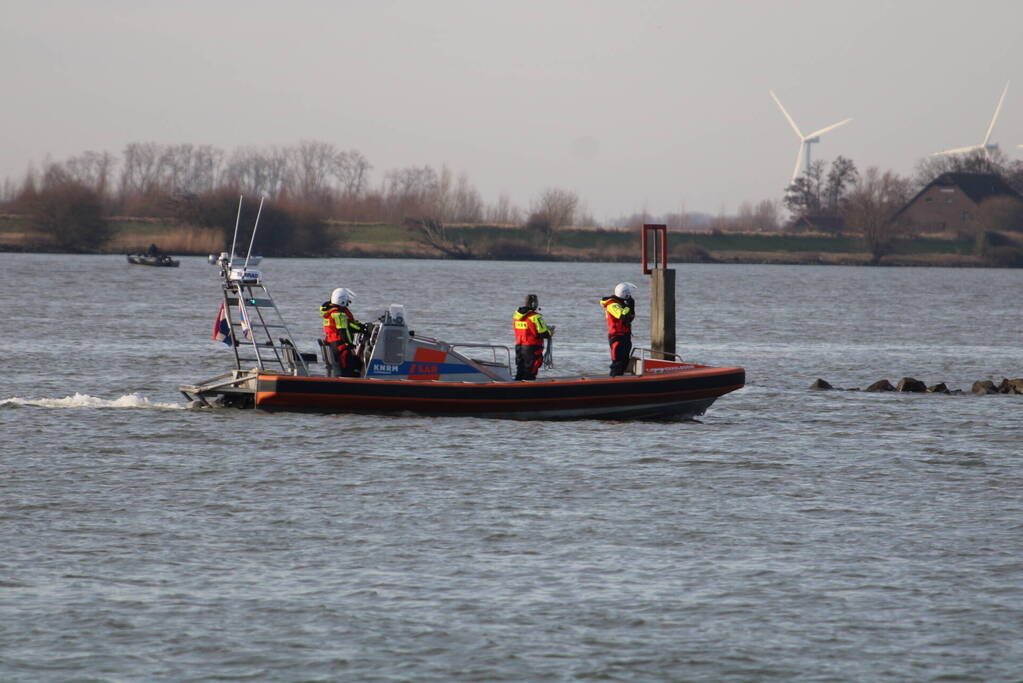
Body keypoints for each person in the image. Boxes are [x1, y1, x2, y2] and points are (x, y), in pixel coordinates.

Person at [320, 287, 365, 377]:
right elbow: (344, 331)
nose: (348, 303)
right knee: (357, 363)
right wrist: (350, 344)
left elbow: (348, 324)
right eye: (347, 301)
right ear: (342, 301)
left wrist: (360, 326)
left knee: (354, 360)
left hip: (333, 344)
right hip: (340, 347)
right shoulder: (339, 315)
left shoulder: (330, 313)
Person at [513, 293, 553, 381]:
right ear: (535, 304)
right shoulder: (536, 317)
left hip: (519, 347)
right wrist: (550, 332)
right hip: (532, 348)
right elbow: (544, 333)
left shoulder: (517, 316)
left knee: (520, 371)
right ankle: (527, 390)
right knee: (530, 372)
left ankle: (516, 386)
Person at [600, 282, 636, 377]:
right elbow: (623, 316)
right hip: (617, 337)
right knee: (617, 363)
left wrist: (631, 306)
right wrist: (628, 306)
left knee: (625, 361)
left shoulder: (622, 304)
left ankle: (622, 379)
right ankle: (613, 381)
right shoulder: (612, 305)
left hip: (625, 336)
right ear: (625, 293)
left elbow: (630, 318)